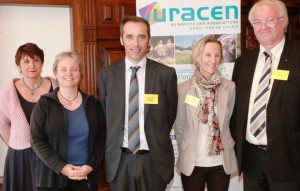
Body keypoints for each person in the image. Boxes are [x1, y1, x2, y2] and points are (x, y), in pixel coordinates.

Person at [98, 16, 178, 191]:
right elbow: (105, 117)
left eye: (141, 37)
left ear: (149, 40)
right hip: (120, 162)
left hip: (153, 162)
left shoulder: (166, 75)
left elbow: (169, 116)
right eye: (130, 36)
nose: (136, 43)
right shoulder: (106, 76)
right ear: (121, 40)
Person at [230, 0, 300, 190]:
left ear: (284, 21)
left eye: (269, 20)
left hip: (290, 159)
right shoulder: (243, 63)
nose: (263, 27)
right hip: (251, 159)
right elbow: (236, 111)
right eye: (257, 22)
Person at [30, 51, 106, 191]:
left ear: (80, 73)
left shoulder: (92, 104)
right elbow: (36, 140)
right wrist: (62, 167)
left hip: (86, 178)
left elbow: (102, 140)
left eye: (74, 69)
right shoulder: (44, 104)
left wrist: (90, 166)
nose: (69, 74)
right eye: (63, 69)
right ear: (56, 74)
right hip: (52, 179)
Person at [174, 37, 238, 191]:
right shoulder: (183, 89)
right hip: (193, 161)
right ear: (198, 57)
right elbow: (179, 125)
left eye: (217, 55)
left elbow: (230, 120)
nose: (213, 60)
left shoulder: (229, 87)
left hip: (220, 162)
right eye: (208, 55)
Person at [0, 42, 57, 191]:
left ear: (42, 63)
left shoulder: (55, 86)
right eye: (26, 61)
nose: (32, 65)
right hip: (20, 157)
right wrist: (19, 140)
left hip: (50, 153)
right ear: (18, 65)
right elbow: (2, 125)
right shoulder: (8, 90)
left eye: (36, 60)